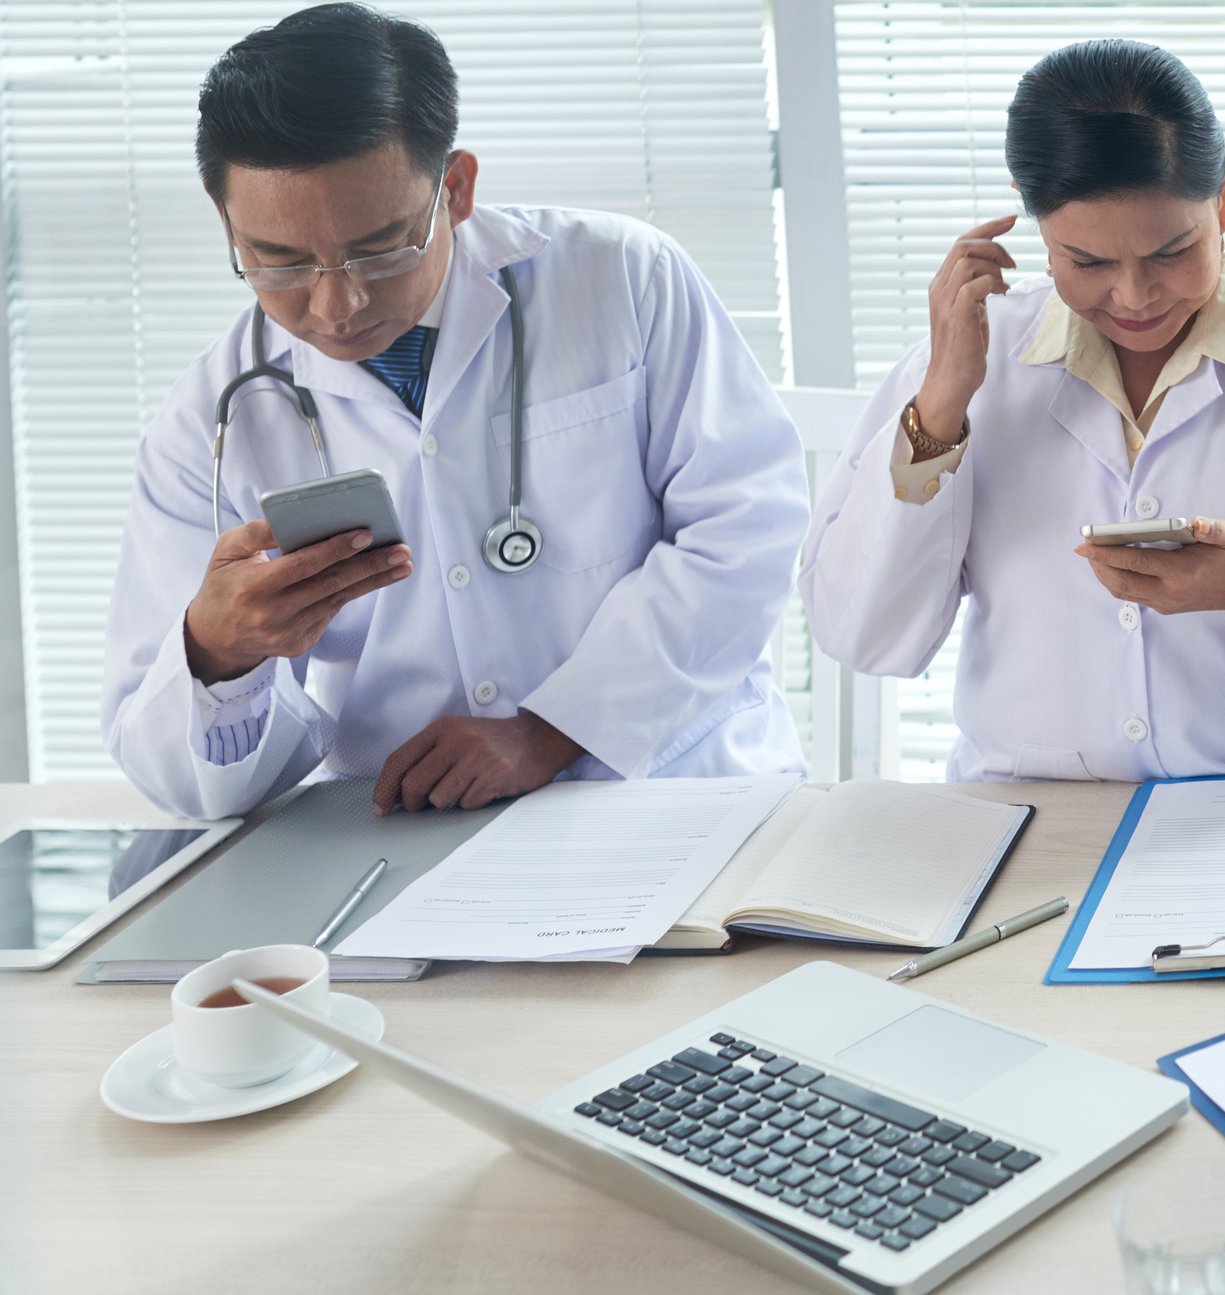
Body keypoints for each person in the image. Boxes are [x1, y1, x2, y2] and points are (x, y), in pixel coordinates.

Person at [102, 3, 807, 819]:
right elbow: (181, 784)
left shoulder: (622, 279)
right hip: (406, 823)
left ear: (458, 188)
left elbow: (746, 530)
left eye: (379, 247)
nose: (337, 302)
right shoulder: (208, 423)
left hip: (670, 786)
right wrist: (219, 652)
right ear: (226, 223)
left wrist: (547, 731)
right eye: (279, 262)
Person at [803, 40, 1225, 781]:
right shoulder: (970, 360)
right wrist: (940, 409)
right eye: (1089, 262)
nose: (1134, 297)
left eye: (1172, 252)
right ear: (1034, 220)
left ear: (1223, 197)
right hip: (1036, 816)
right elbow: (862, 636)